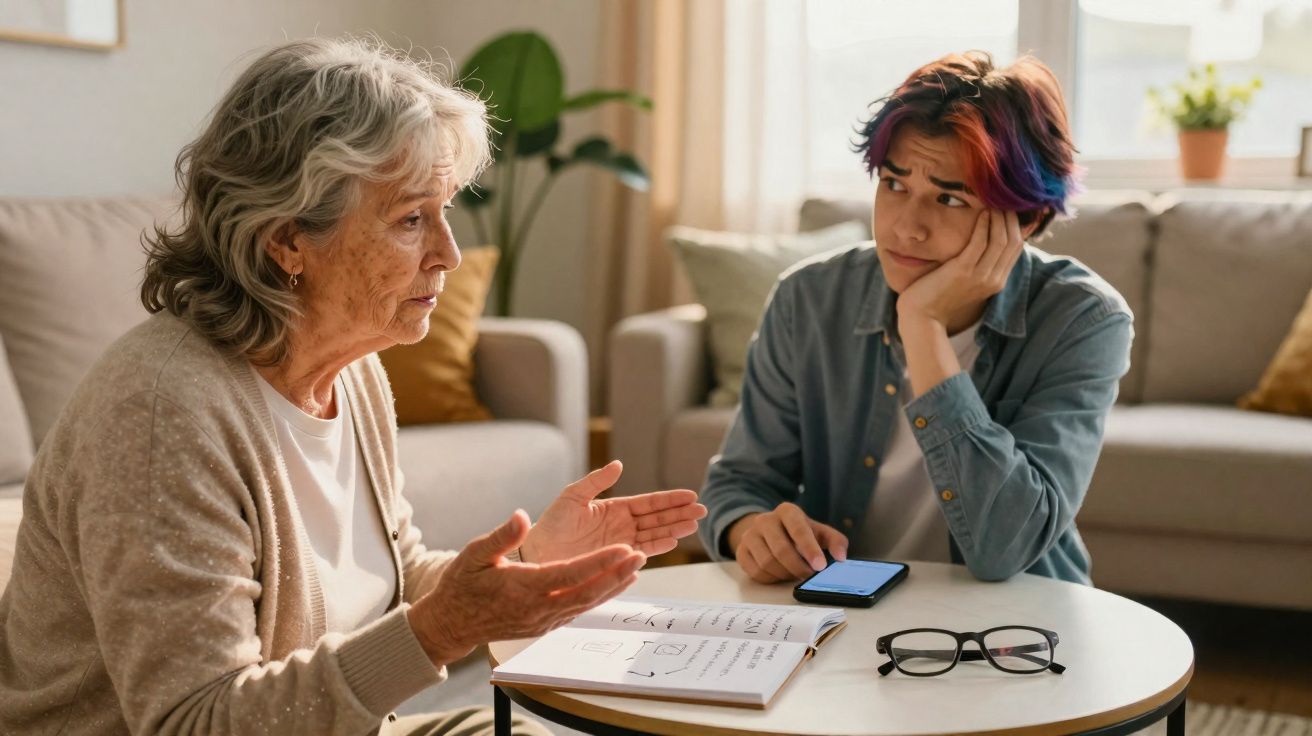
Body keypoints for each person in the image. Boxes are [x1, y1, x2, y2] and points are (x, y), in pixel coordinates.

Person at [0, 37, 705, 736]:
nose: (449, 254)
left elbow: (393, 578)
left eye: (444, 210)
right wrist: (436, 633)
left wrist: (526, 564)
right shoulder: (161, 414)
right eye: (409, 220)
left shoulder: (354, 371)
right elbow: (197, 721)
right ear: (286, 240)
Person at [697, 52, 1132, 587]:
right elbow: (739, 483)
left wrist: (922, 325)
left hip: (1015, 624)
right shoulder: (807, 298)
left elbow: (1006, 547)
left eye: (948, 198)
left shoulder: (1084, 320)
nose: (906, 228)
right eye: (894, 184)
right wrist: (751, 530)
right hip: (844, 612)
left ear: (1026, 219)